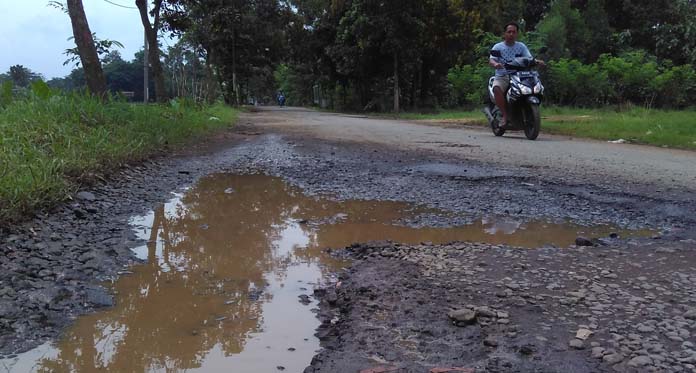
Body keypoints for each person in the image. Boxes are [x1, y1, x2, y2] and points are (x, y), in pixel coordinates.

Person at [489, 22, 544, 127]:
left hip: (520, 75)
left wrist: (537, 62)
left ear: (517, 34)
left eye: (513, 32)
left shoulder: (521, 46)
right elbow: (491, 60)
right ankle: (505, 116)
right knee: (496, 88)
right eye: (509, 32)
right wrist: (496, 64)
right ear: (504, 33)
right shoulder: (498, 47)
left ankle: (526, 112)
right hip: (503, 75)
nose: (511, 34)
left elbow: (529, 58)